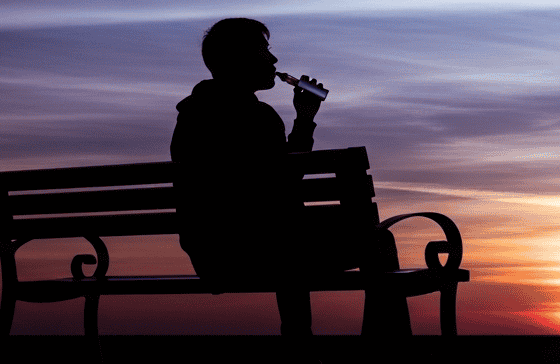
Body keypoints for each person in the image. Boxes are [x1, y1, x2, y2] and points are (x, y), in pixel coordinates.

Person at [171, 18, 407, 335]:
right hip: (262, 255)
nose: (274, 60)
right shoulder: (257, 117)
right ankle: (383, 347)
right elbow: (286, 183)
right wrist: (305, 120)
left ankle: (300, 341)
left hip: (212, 259)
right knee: (377, 240)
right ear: (240, 60)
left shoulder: (191, 116)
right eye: (264, 51)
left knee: (284, 231)